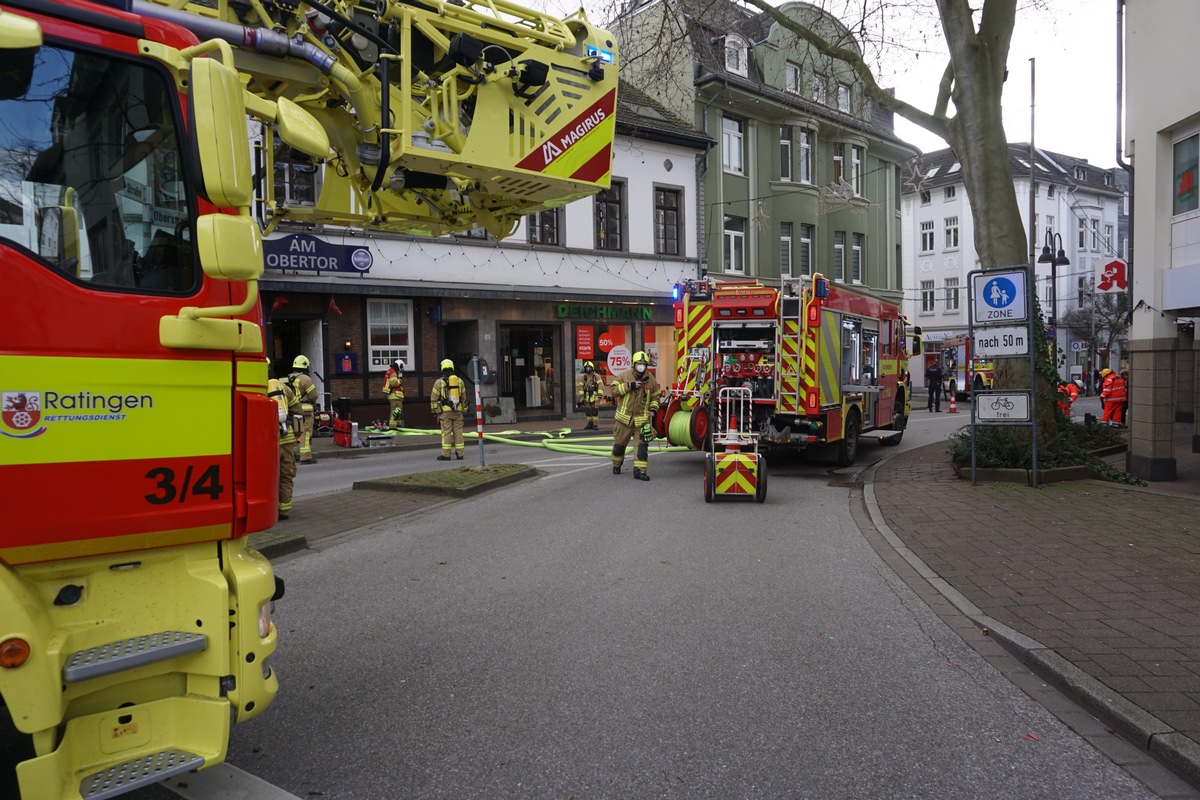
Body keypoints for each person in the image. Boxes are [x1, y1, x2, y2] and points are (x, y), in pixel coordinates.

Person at [609, 350, 661, 481]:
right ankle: (616, 465)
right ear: (634, 364)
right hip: (623, 421)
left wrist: (653, 409)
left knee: (642, 449)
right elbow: (613, 391)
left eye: (644, 364)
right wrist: (629, 386)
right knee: (619, 447)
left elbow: (656, 397)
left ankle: (640, 472)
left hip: (641, 422)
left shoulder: (651, 380)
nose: (641, 366)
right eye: (639, 364)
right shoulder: (624, 376)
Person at [267, 358, 300, 519]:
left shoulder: (254, 389)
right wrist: (297, 435)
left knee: (266, 476)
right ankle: (284, 510)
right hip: (287, 439)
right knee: (286, 475)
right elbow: (297, 410)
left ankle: (267, 509)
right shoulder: (284, 388)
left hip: (266, 442)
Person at [430, 358, 466, 460]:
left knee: (446, 432)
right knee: (458, 432)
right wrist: (462, 409)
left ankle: (446, 454)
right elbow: (464, 398)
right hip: (458, 412)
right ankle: (460, 454)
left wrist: (434, 412)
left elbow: (433, 399)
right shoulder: (460, 382)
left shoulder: (439, 382)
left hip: (445, 412)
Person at [289, 355, 319, 463]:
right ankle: (305, 457)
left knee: (293, 433)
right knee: (305, 433)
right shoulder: (306, 379)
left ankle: (292, 456)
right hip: (305, 410)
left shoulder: (289, 378)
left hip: (292, 410)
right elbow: (313, 395)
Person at [576, 360, 606, 430]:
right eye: (587, 368)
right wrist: (581, 396)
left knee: (594, 411)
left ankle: (595, 424)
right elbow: (579, 387)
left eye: (589, 368)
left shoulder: (596, 377)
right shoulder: (582, 378)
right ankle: (589, 423)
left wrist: (599, 396)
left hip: (595, 398)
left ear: (592, 368)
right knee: (588, 412)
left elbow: (600, 386)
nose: (588, 369)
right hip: (586, 398)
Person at [381, 359, 405, 430]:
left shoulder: (390, 371)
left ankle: (396, 424)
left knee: (397, 410)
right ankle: (393, 425)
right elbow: (393, 383)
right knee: (395, 410)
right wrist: (400, 380)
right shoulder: (393, 373)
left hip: (393, 395)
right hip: (395, 395)